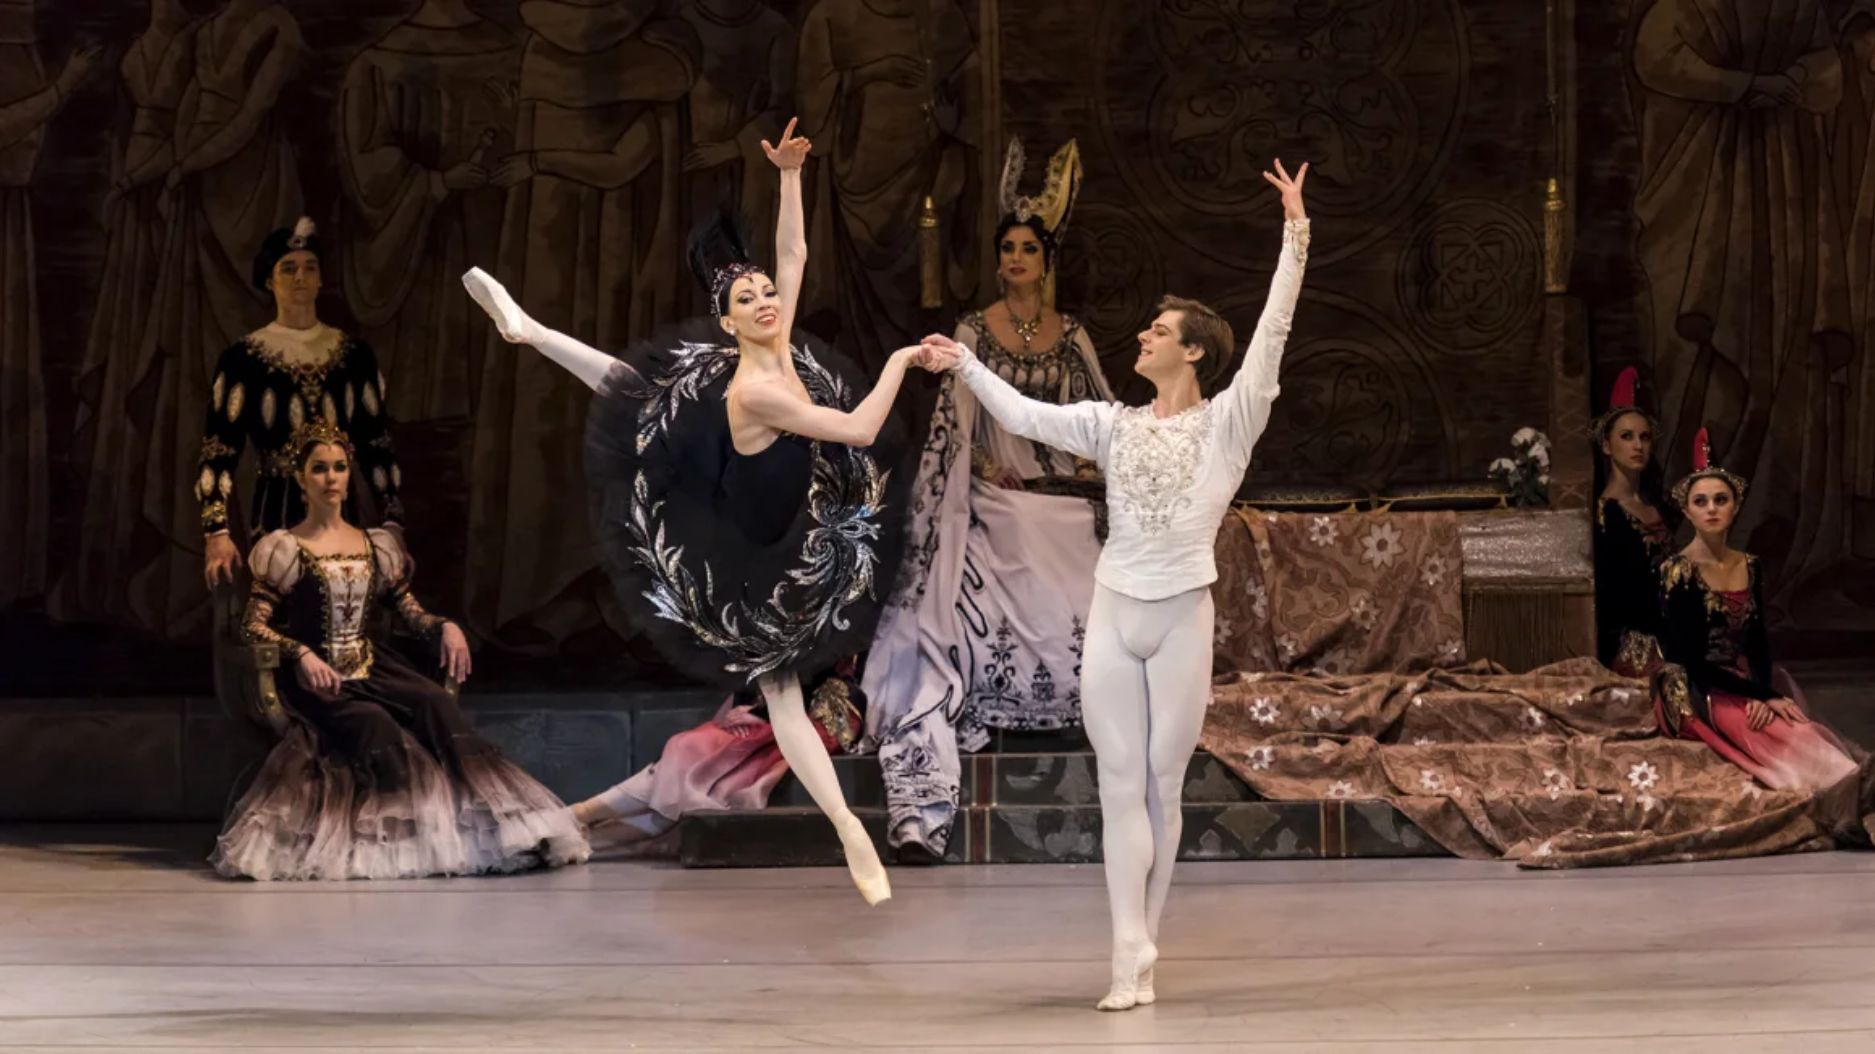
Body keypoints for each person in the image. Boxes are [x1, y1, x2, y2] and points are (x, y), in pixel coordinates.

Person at [464, 118, 935, 905]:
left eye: (767, 296)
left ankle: (529, 330)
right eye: (747, 299)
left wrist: (788, 177)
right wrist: (897, 361)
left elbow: (794, 256)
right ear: (726, 322)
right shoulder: (753, 383)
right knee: (780, 686)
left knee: (643, 393)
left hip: (780, 512)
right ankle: (849, 827)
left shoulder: (777, 350)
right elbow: (857, 428)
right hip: (734, 538)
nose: (766, 302)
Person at [920, 159, 1310, 1010]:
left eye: (1159, 332)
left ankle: (1143, 948)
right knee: (1115, 781)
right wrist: (963, 364)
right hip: (1114, 609)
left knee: (1161, 784)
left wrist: (1295, 231)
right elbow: (1025, 416)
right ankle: (1124, 945)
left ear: (1194, 350)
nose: (1142, 336)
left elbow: (1274, 334)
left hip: (1179, 617)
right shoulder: (1110, 425)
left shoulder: (1227, 424)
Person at [863, 138, 1111, 857]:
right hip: (996, 495)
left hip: (1059, 491)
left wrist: (1094, 474)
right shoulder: (973, 330)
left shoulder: (1071, 338)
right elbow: (952, 426)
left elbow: (1098, 415)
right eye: (1005, 249)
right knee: (1012, 532)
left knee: (1077, 536)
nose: (1013, 260)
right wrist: (974, 478)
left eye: (1026, 250)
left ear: (1045, 260)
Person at [213, 422, 589, 880]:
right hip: (319, 680)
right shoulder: (286, 547)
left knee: (434, 702)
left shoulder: (375, 544)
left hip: (373, 667)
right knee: (375, 725)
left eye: (338, 467)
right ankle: (397, 843)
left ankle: (493, 829)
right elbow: (253, 626)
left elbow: (411, 612)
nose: (331, 478)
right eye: (318, 469)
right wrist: (300, 653)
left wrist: (445, 626)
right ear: (299, 478)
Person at [196, 219, 408, 596]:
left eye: (310, 268)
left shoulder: (354, 355)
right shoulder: (243, 358)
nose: (300, 278)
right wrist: (217, 533)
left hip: (340, 510)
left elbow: (377, 444)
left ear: (321, 279)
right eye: (288, 269)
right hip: (275, 510)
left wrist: (393, 525)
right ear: (269, 281)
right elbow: (219, 451)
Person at [1652, 428, 1863, 796]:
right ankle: (1839, 792)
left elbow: (1758, 640)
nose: (1712, 509)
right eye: (1701, 502)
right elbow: (1689, 659)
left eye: (1721, 499)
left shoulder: (1749, 565)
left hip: (1738, 677)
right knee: (1775, 733)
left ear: (1736, 506)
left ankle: (1851, 788)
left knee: (1800, 726)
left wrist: (1765, 691)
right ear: (1687, 510)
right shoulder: (1677, 570)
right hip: (1692, 685)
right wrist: (1758, 695)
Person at [1591, 366, 1678, 676]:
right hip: (1635, 644)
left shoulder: (1661, 507)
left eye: (1644, 437)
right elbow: (1615, 597)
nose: (1638, 445)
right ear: (1606, 445)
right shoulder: (1606, 513)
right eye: (1626, 437)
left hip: (1674, 630)